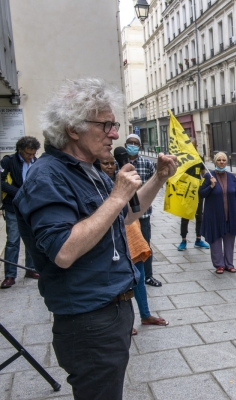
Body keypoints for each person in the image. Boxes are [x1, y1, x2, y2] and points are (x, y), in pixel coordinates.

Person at [13, 78, 177, 399]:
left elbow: (126, 216)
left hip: (113, 312)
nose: (115, 134)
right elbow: (63, 250)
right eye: (106, 125)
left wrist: (157, 178)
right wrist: (116, 195)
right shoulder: (47, 177)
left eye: (114, 125)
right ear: (73, 129)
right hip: (88, 321)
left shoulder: (89, 170)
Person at [100, 155, 168, 334]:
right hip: (114, 241)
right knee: (121, 282)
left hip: (132, 233)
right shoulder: (96, 184)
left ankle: (145, 314)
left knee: (139, 276)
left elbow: (134, 209)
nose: (108, 167)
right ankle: (124, 322)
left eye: (111, 163)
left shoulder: (122, 181)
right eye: (104, 163)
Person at [121, 133, 162, 287]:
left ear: (140, 146)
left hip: (143, 213)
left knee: (145, 244)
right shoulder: (119, 163)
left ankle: (148, 276)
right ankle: (127, 275)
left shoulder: (147, 163)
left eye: (135, 143)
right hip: (124, 214)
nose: (132, 145)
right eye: (129, 143)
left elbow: (155, 184)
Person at [1, 136, 41, 288]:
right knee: (13, 240)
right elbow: (1, 182)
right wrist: (18, 193)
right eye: (27, 154)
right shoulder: (8, 161)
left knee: (31, 239)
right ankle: (10, 275)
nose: (30, 157)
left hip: (31, 206)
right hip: (13, 206)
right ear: (20, 150)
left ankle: (31, 269)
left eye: (33, 154)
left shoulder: (37, 162)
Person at [199, 152, 236, 274]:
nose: (222, 162)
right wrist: (211, 186)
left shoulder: (232, 177)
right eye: (219, 160)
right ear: (215, 162)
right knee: (216, 240)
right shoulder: (209, 176)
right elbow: (201, 193)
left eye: (224, 160)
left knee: (229, 240)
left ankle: (229, 264)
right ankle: (219, 265)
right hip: (214, 215)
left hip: (231, 214)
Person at [177, 138, 210, 251]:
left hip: (197, 191)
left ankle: (198, 239)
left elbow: (203, 173)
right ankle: (183, 240)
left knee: (199, 216)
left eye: (193, 145)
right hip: (186, 191)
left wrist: (208, 180)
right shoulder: (183, 159)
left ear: (196, 146)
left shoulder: (199, 159)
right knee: (185, 215)